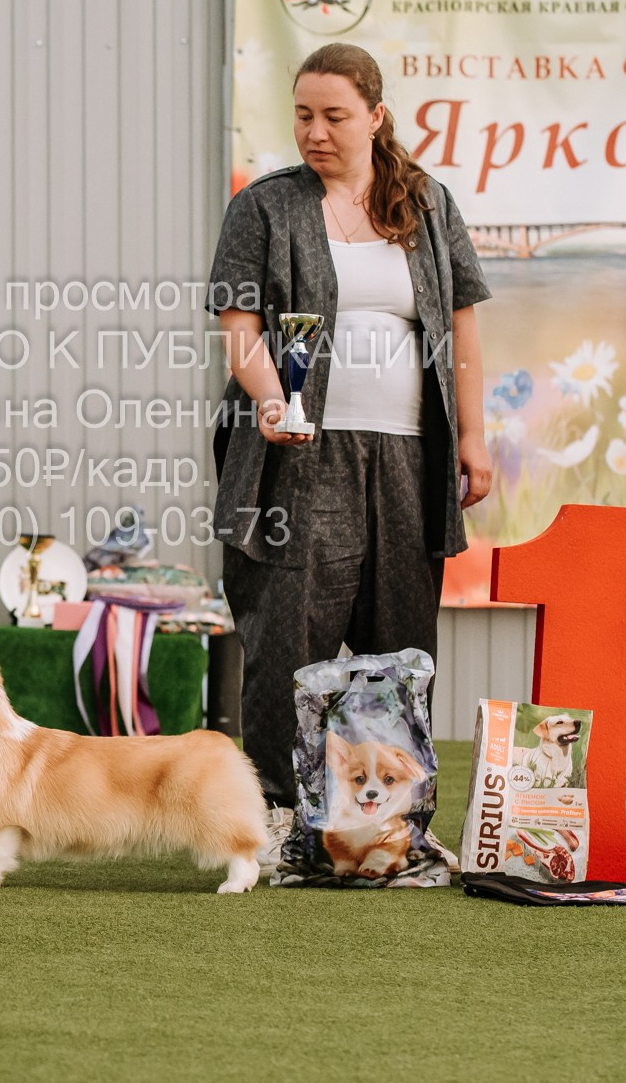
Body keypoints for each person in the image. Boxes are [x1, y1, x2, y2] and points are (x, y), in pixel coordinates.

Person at [206, 42, 492, 853]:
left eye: (334, 115)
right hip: (297, 456)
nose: (316, 131)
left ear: (375, 115)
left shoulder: (428, 203)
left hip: (408, 456)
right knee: (285, 629)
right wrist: (269, 400)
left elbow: (462, 326)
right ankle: (271, 813)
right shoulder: (263, 207)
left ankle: (389, 819)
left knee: (400, 637)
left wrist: (473, 434)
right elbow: (241, 326)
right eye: (303, 114)